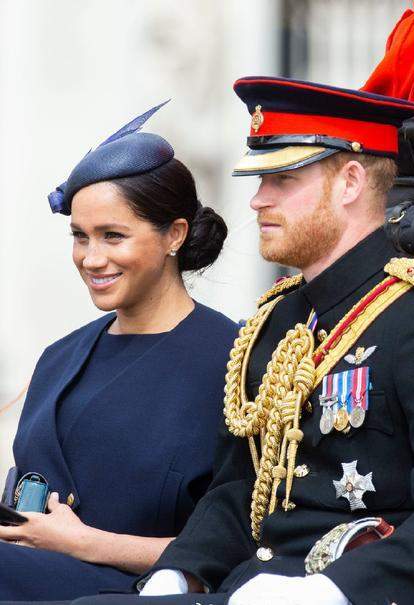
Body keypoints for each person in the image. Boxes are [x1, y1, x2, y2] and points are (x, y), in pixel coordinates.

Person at [16, 77, 414, 605]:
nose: (256, 200)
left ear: (351, 182)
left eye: (282, 180)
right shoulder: (279, 318)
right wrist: (179, 574)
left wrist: (334, 591)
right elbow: (237, 489)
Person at [0, 104, 237, 601]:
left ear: (175, 234)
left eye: (113, 236)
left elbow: (246, 543)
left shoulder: (233, 360)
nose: (92, 258)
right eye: (80, 237)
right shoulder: (61, 356)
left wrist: (88, 543)